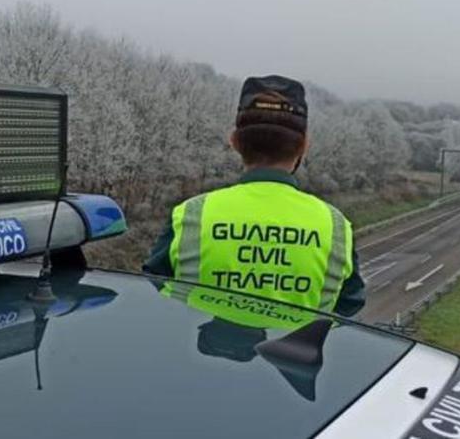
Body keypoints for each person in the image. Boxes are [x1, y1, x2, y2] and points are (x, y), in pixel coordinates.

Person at [143, 75, 366, 317]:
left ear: (234, 141)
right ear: (304, 146)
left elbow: (153, 294)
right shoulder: (335, 225)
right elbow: (349, 308)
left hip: (194, 353)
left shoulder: (189, 214)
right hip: (293, 355)